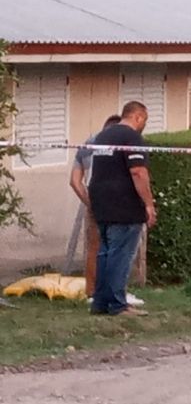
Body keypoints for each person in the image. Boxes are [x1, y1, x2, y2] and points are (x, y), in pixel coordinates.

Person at [88, 102, 155, 317]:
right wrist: (148, 204)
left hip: (101, 202)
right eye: (144, 120)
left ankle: (100, 303)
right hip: (124, 205)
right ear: (137, 117)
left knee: (105, 253)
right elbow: (138, 173)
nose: (143, 125)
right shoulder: (132, 138)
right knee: (121, 255)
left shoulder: (102, 136)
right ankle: (118, 304)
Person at [68, 114, 121, 299]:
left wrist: (89, 202)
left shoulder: (88, 144)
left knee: (94, 248)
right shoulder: (122, 143)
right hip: (118, 202)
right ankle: (114, 292)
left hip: (95, 201)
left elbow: (75, 181)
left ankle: (92, 292)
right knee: (118, 248)